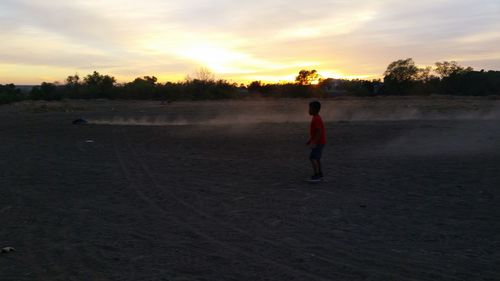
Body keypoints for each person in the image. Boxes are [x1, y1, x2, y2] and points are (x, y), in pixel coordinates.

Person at [306, 101, 326, 182]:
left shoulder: (316, 119)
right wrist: (310, 140)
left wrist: (314, 142)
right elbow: (315, 132)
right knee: (317, 158)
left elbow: (318, 131)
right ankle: (320, 174)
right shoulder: (316, 118)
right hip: (320, 142)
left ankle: (316, 176)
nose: (309, 110)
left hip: (319, 142)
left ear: (314, 109)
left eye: (310, 108)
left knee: (312, 158)